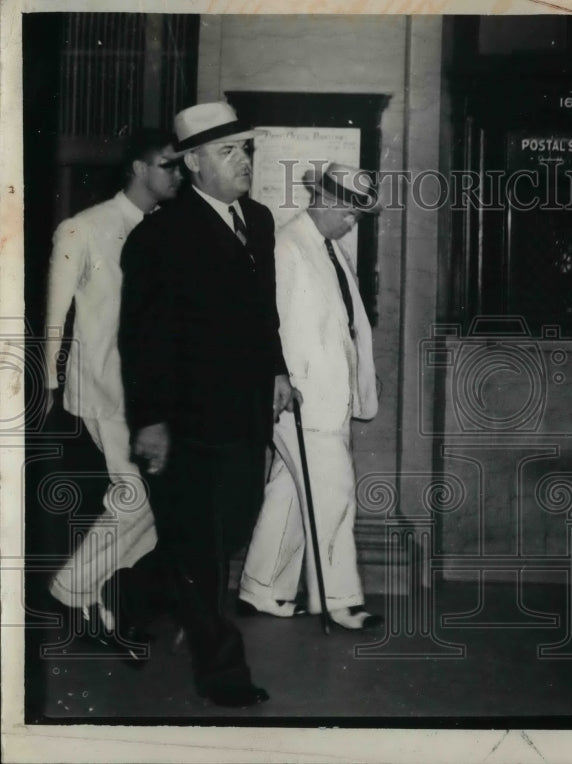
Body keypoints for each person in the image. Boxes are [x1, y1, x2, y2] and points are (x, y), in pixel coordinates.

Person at [119, 101, 297, 707]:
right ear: (192, 163)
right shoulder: (160, 236)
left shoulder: (261, 220)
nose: (243, 160)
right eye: (227, 151)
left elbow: (263, 312)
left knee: (226, 529)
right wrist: (151, 422)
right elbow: (142, 341)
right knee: (201, 545)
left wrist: (276, 370)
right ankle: (223, 674)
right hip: (189, 421)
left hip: (246, 413)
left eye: (245, 149)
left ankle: (135, 597)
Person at [43, 130, 182, 641]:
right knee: (137, 496)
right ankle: (73, 589)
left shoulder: (169, 229)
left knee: (153, 501)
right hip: (104, 385)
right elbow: (54, 317)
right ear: (139, 170)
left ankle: (94, 593)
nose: (179, 174)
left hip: (155, 392)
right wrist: (48, 382)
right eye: (168, 165)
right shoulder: (84, 228)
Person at [238, 162, 383, 631]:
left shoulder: (328, 248)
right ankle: (339, 601)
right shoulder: (285, 246)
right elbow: (263, 324)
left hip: (325, 396)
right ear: (323, 199)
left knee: (288, 491)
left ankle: (262, 590)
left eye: (357, 215)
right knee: (333, 492)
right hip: (298, 398)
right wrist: (281, 379)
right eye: (348, 211)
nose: (351, 221)